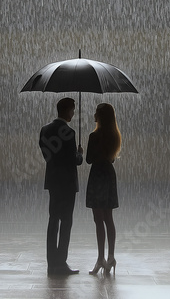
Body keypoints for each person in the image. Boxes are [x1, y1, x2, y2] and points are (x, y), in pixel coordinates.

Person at [39, 98, 83, 276]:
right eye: (73, 110)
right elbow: (74, 162)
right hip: (68, 185)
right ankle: (61, 262)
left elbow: (47, 156)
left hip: (53, 183)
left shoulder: (45, 130)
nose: (73, 113)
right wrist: (80, 154)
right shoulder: (70, 133)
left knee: (53, 220)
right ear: (67, 110)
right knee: (66, 222)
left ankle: (51, 264)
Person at [85, 103, 121, 275]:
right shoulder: (114, 136)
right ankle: (111, 257)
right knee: (108, 217)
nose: (94, 114)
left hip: (97, 175)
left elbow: (89, 159)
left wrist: (82, 150)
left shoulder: (94, 136)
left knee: (98, 219)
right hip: (108, 174)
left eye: (96, 113)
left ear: (100, 116)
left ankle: (100, 258)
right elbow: (111, 159)